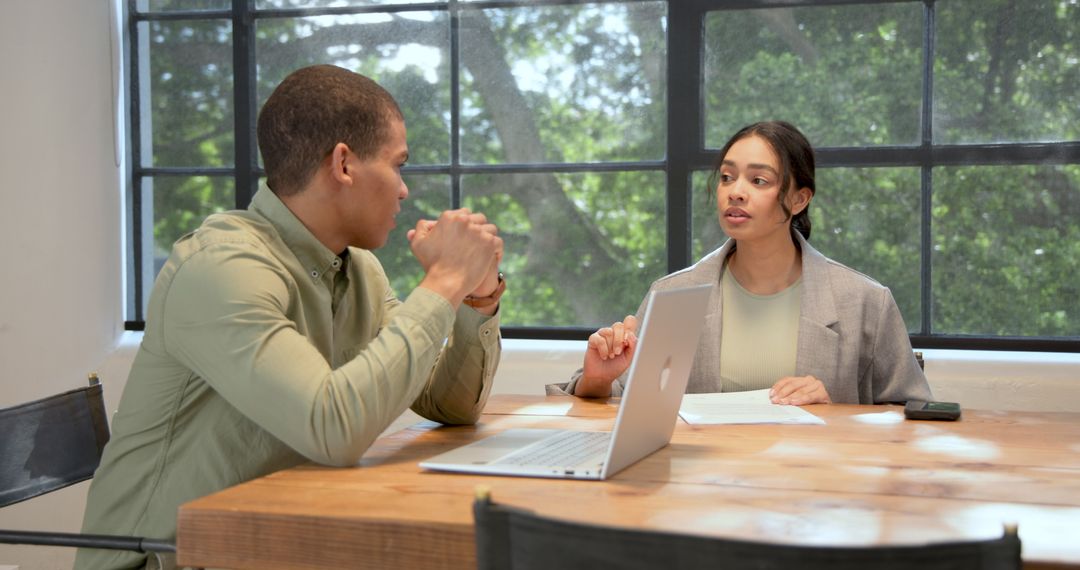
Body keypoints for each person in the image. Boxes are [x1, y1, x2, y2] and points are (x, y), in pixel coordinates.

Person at [76, 65, 505, 570]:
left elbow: (445, 404)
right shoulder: (219, 268)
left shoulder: (358, 268)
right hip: (166, 561)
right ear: (344, 164)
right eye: (398, 165)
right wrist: (444, 282)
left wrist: (477, 298)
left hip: (270, 544)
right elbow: (333, 429)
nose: (405, 190)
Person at [558, 120, 931, 406]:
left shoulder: (865, 301)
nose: (735, 191)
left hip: (817, 495)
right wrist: (597, 379)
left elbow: (916, 417)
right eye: (726, 177)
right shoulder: (674, 293)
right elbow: (627, 407)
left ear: (799, 199)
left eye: (758, 180)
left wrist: (835, 409)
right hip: (701, 492)